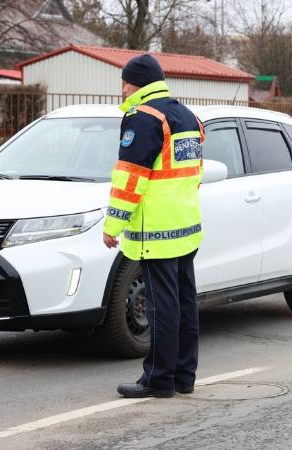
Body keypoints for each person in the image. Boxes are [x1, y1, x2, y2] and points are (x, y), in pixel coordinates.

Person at [103, 54, 205, 398]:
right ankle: (183, 376)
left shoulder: (143, 118)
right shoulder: (187, 116)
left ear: (138, 83)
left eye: (125, 81)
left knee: (162, 305)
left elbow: (130, 179)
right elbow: (194, 174)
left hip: (156, 230)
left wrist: (112, 225)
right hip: (186, 226)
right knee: (184, 302)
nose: (122, 88)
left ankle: (158, 379)